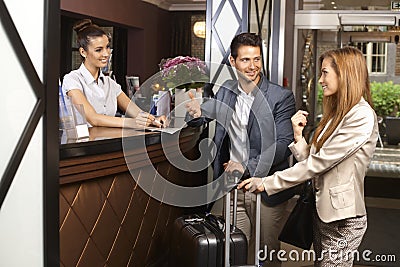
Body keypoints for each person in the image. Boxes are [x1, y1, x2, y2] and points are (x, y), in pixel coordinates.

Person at [238, 46, 379, 266]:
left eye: (325, 72)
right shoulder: (337, 114)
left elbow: (319, 163)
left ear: (344, 73)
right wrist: (298, 136)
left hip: (343, 218)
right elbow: (313, 161)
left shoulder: (361, 115)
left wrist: (267, 183)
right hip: (323, 212)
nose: (320, 80)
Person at [185, 32, 296, 265]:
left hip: (266, 187)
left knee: (265, 252)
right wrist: (194, 114)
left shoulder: (280, 97)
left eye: (257, 59)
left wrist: (246, 166)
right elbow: (204, 115)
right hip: (232, 187)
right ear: (233, 62)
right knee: (235, 249)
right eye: (245, 60)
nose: (253, 66)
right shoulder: (227, 89)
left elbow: (284, 144)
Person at [62, 19, 166, 128]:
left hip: (109, 141)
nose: (106, 54)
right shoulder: (72, 80)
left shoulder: (110, 83)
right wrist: (133, 123)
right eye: (99, 50)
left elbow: (137, 113)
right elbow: (93, 119)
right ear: (83, 52)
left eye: (107, 47)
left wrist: (154, 119)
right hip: (83, 143)